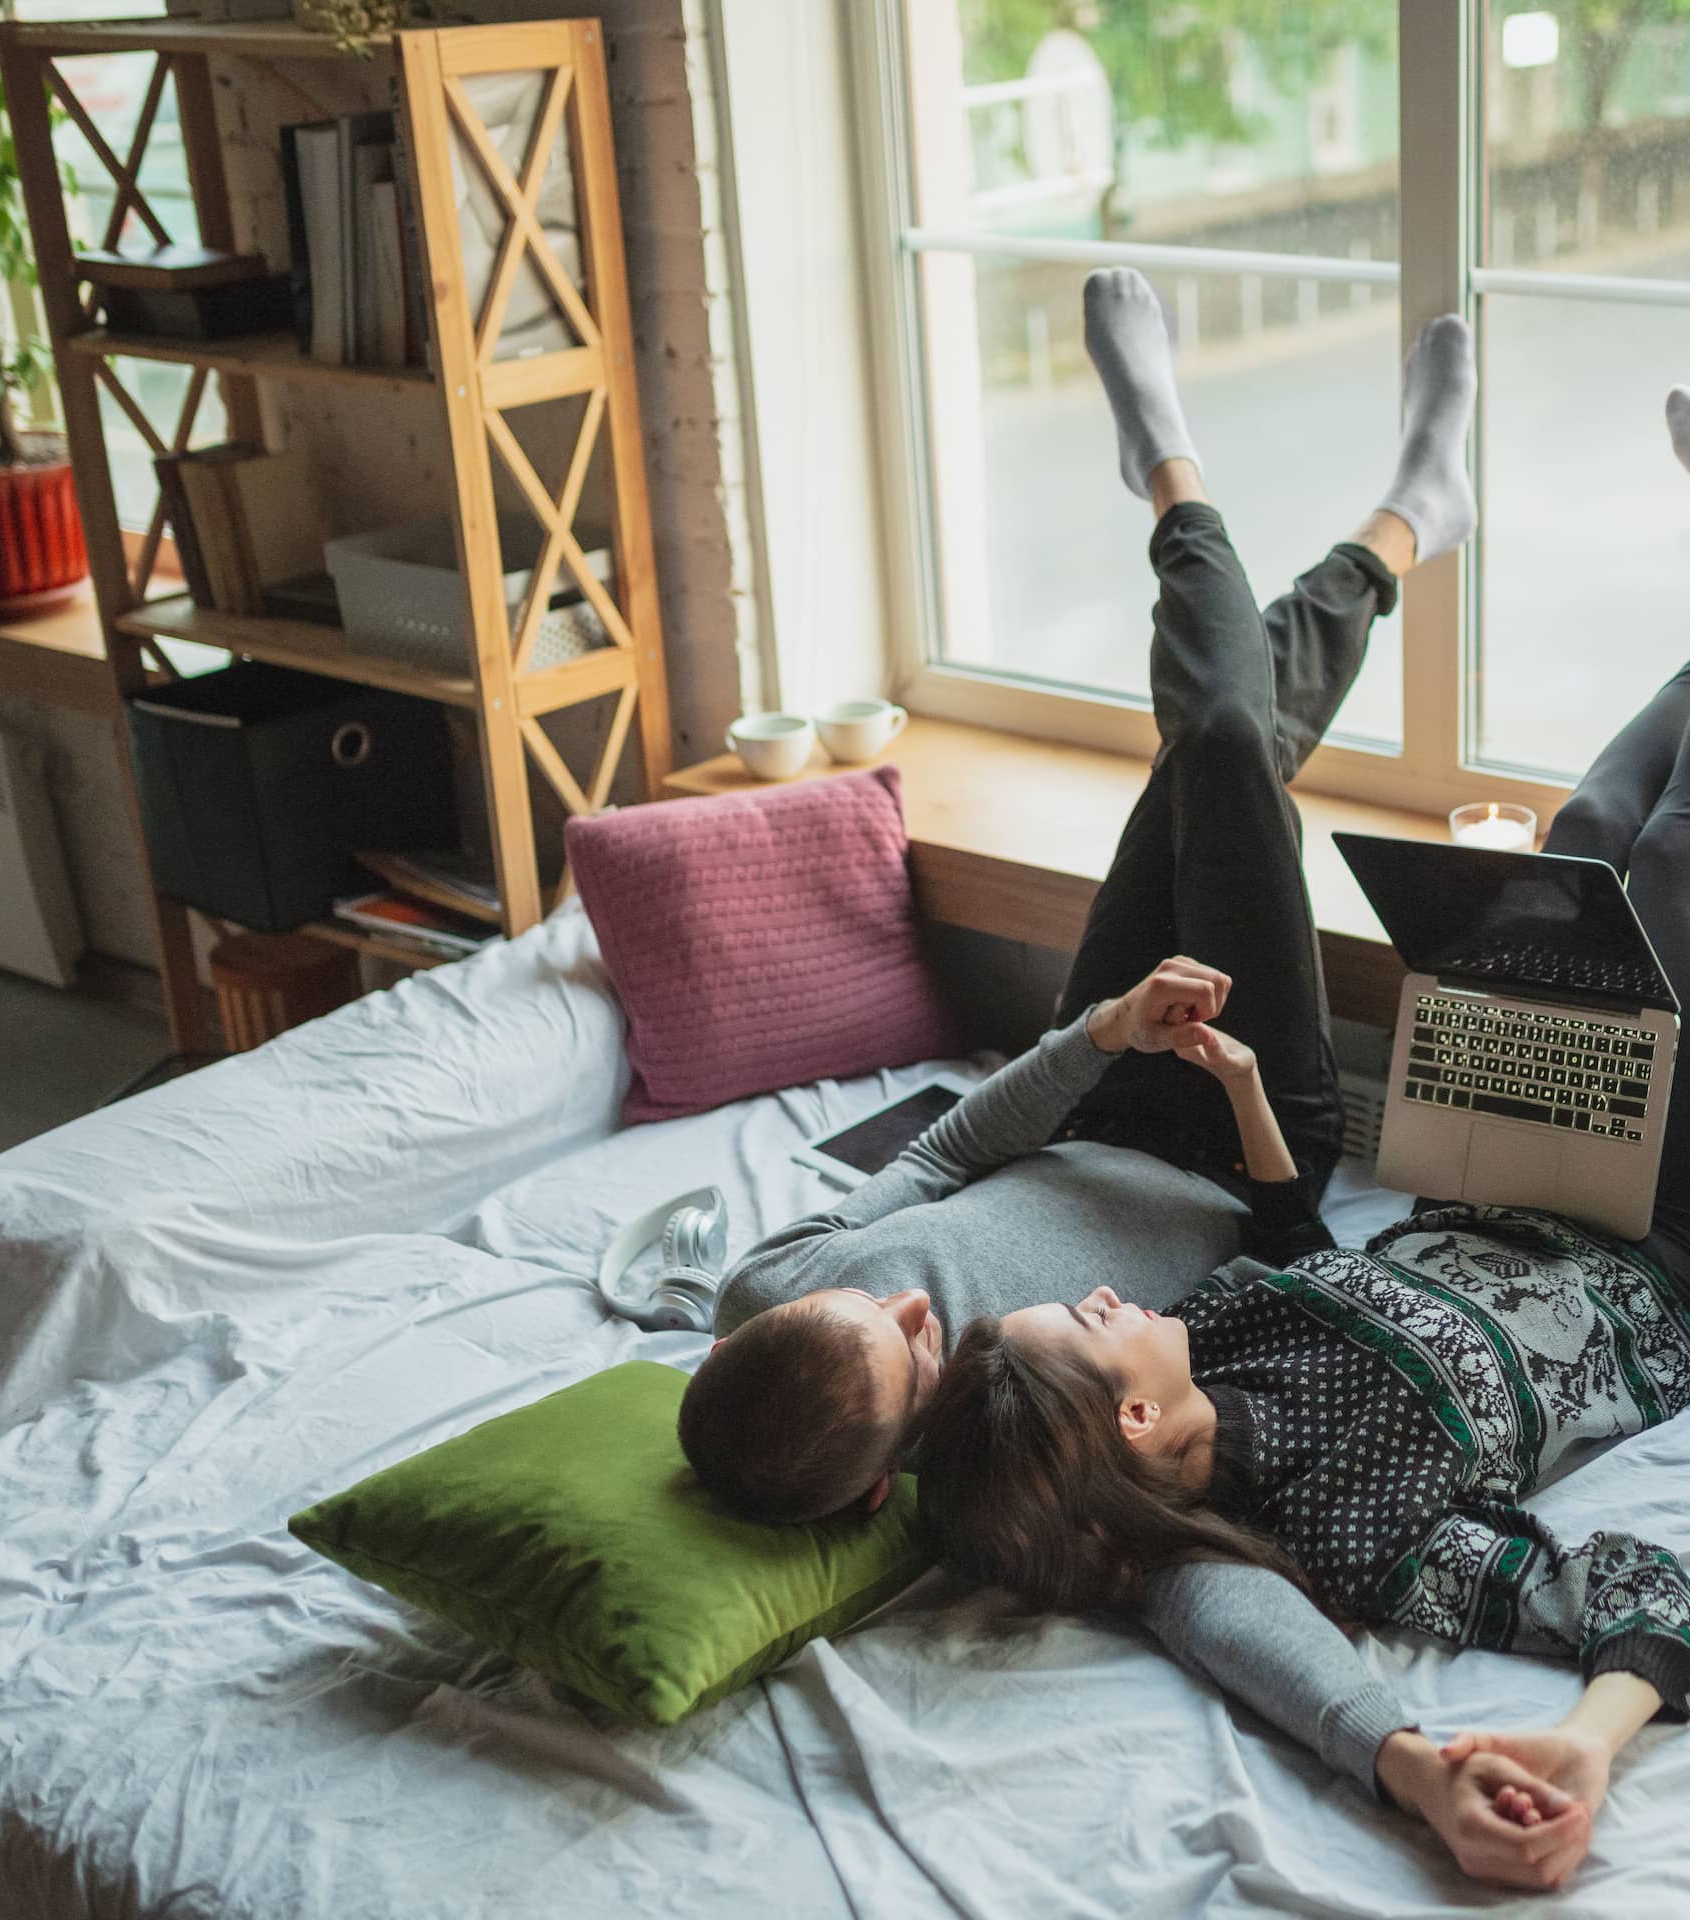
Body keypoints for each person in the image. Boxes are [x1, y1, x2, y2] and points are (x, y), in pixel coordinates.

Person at [680, 270, 1587, 1884]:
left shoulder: (777, 1291)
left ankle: (1338, 510)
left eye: (858, 1299)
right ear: (899, 1468)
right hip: (1246, 1127)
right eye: (909, 1347)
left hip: (1098, 1064)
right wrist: (1401, 1755)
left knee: (1212, 750)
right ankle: (1244, 488)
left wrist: (1096, 1035)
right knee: (1229, 751)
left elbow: (954, 1156)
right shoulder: (995, 1476)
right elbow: (1202, 1595)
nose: (906, 1302)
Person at [909, 386, 1690, 1890]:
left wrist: (1254, 1088)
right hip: (1662, 1260)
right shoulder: (1350, 1541)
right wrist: (1588, 1743)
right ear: (1133, 1427)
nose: (1108, 1292)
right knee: (1670, 866)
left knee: (1583, 839)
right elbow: (1640, 1594)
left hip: (1521, 1177)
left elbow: (1288, 1237)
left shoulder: (1215, 1329)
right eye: (1087, 1322)